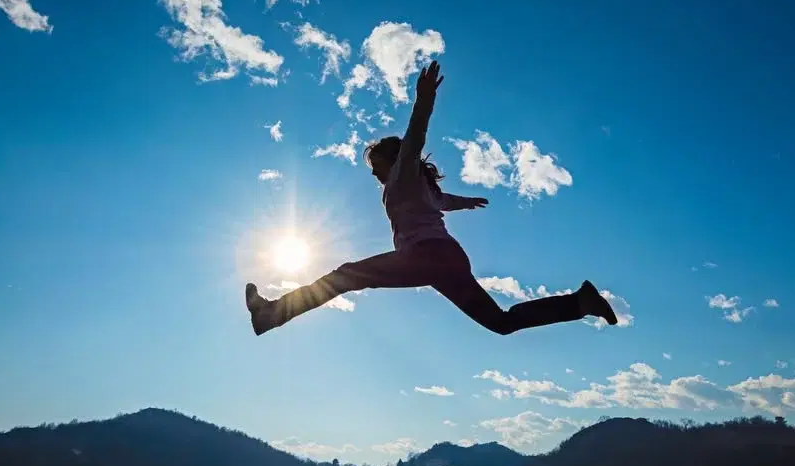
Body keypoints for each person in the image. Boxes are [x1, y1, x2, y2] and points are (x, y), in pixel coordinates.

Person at [245, 60, 618, 336]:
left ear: (393, 160)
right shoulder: (421, 188)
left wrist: (423, 100)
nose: (374, 173)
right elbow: (443, 202)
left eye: (377, 164)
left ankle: (271, 314)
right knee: (501, 323)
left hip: (427, 256)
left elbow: (415, 138)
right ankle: (580, 302)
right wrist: (467, 202)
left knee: (345, 276)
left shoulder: (404, 173)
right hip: (446, 260)